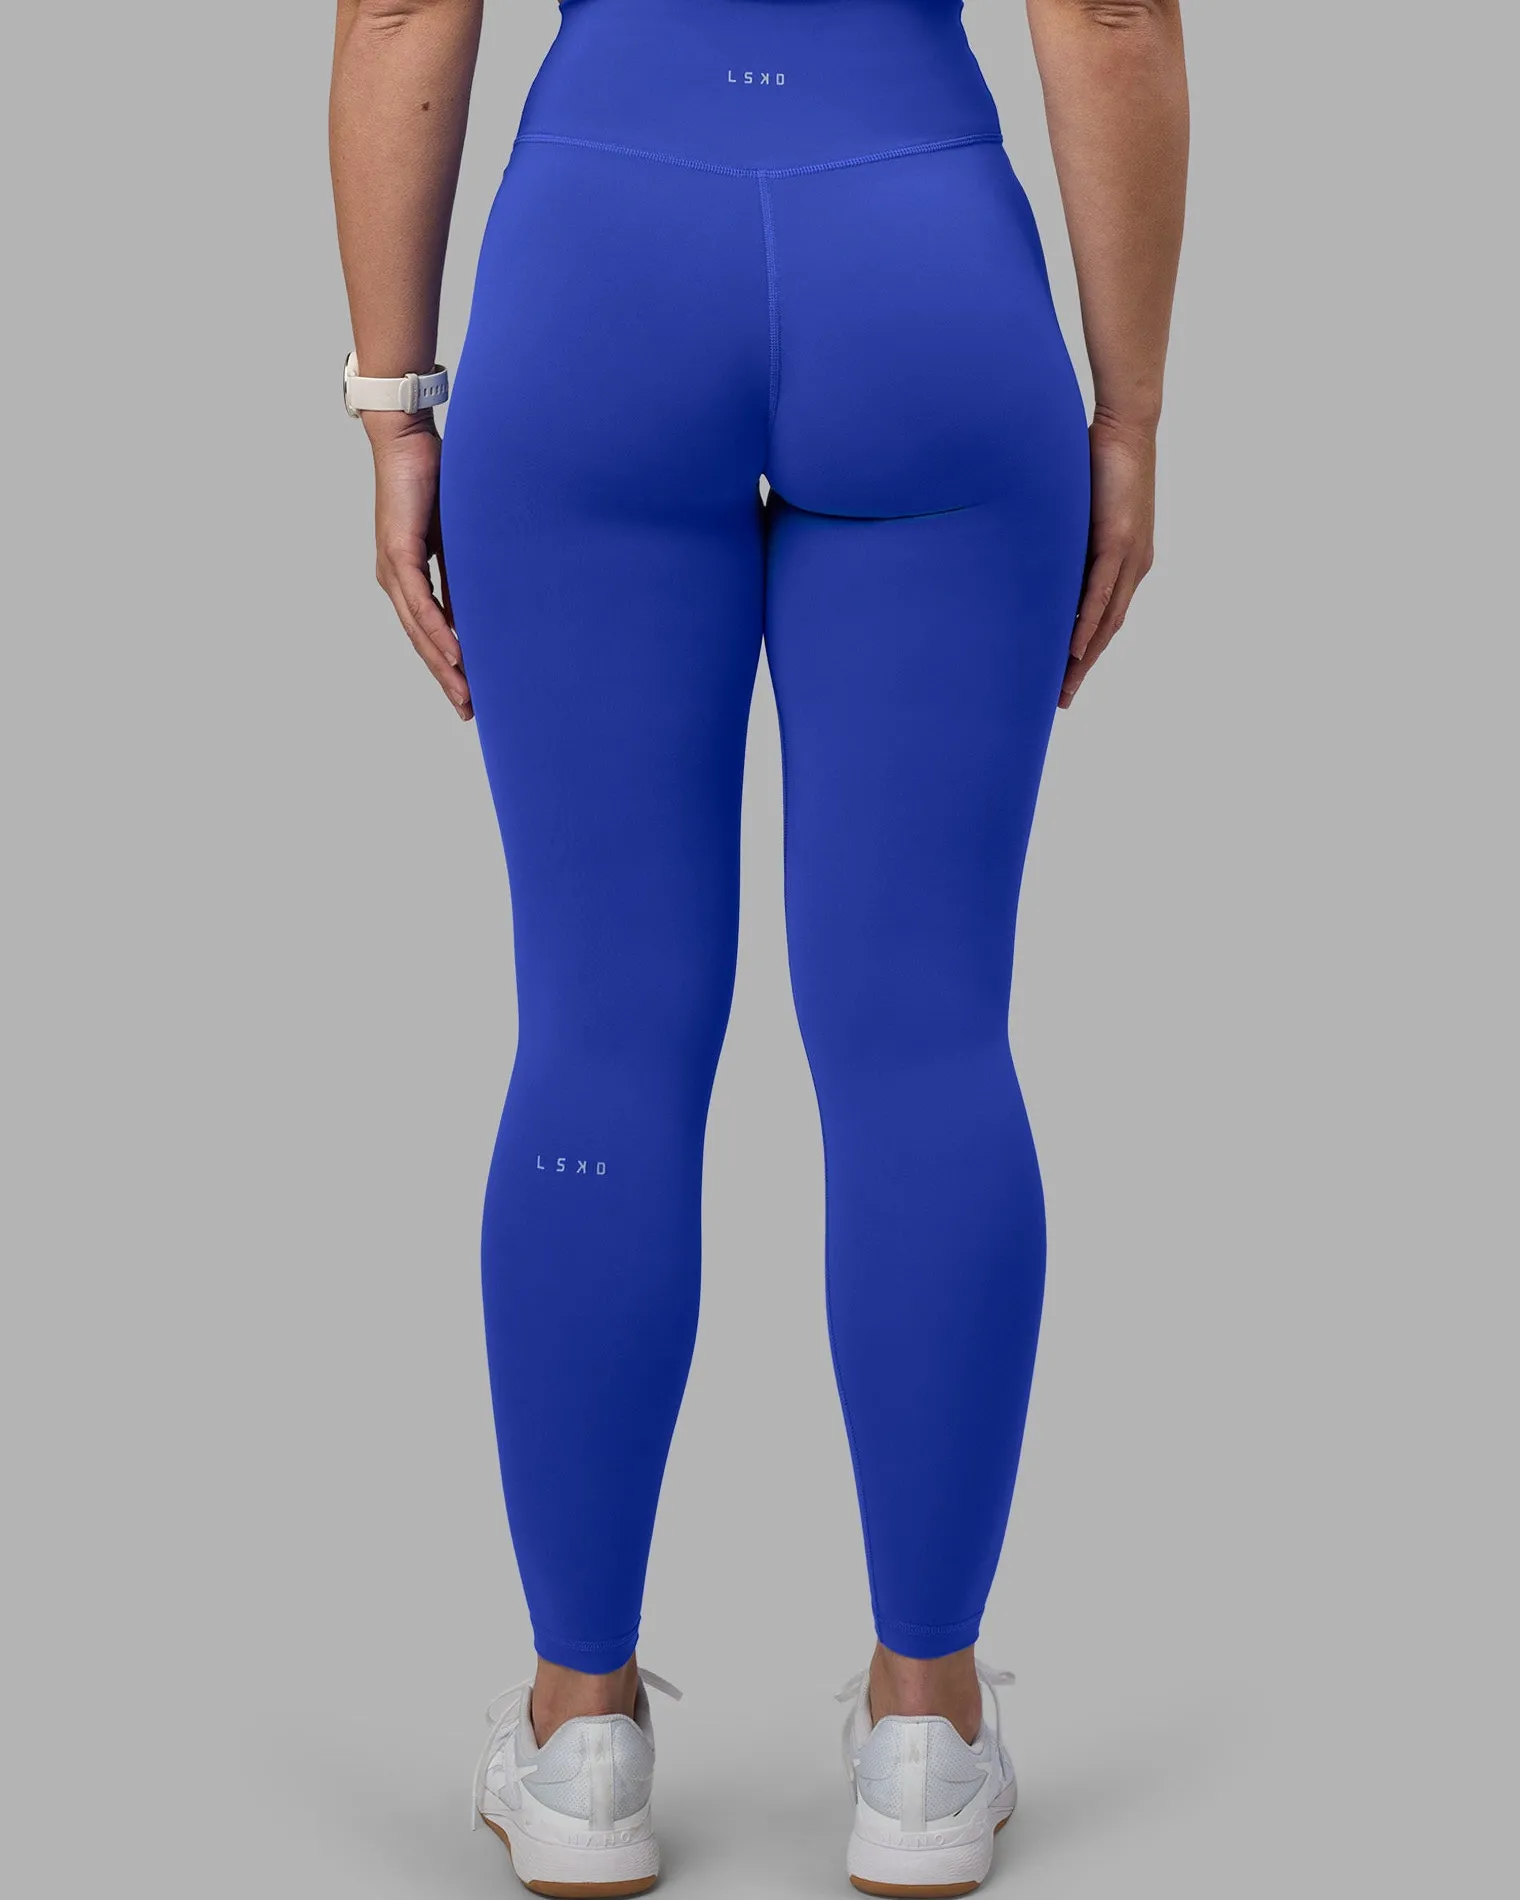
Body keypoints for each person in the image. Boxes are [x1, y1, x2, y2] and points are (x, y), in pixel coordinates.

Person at [330, 0, 1186, 1891]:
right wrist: (1127, 415)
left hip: (601, 275)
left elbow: (400, 8)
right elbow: (1110, 14)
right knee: (926, 1036)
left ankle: (580, 1743)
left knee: (600, 1034)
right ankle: (924, 1734)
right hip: (926, 276)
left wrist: (392, 402)